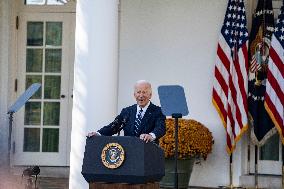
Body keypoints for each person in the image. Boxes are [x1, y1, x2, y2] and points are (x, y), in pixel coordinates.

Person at [88, 80, 166, 143]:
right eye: (138, 92)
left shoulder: (158, 111)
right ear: (134, 95)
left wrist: (151, 136)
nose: (141, 95)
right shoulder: (127, 111)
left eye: (144, 92)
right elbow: (114, 126)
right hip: (129, 152)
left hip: (148, 153)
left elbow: (160, 128)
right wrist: (98, 133)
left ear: (150, 95)